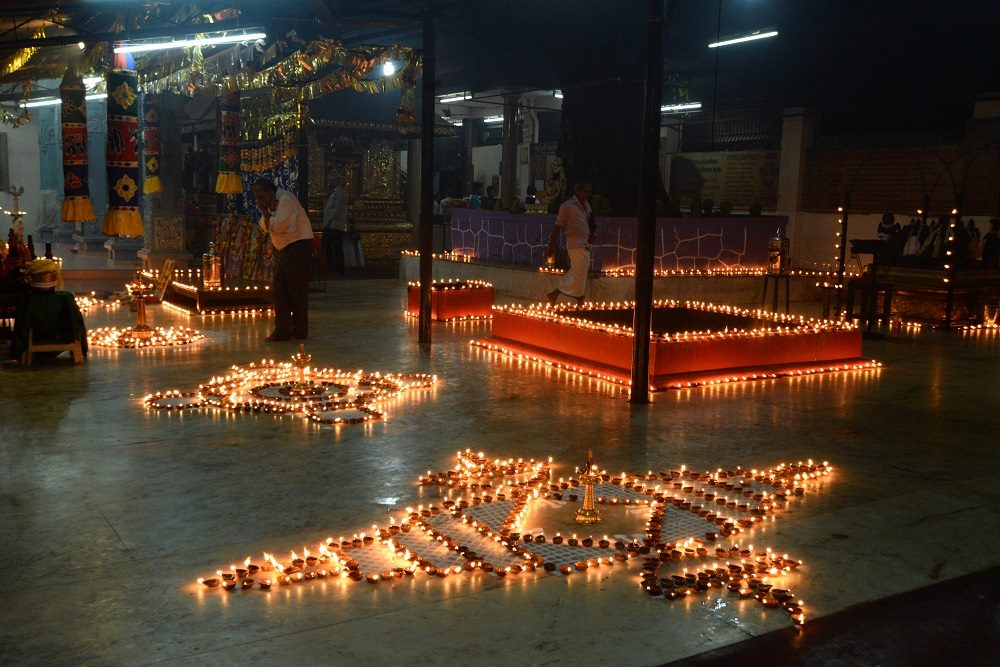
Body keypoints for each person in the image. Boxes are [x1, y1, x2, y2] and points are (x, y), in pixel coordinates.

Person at [252, 178, 314, 341]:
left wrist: (267, 214)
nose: (259, 201)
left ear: (271, 191)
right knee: (280, 290)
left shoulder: (286, 200)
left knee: (296, 291)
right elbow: (263, 226)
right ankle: (283, 330)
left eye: (261, 196)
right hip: (285, 249)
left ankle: (299, 330)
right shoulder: (272, 204)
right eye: (257, 198)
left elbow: (278, 227)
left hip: (298, 247)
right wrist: (269, 215)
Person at [545, 182, 595, 305]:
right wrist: (551, 246)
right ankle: (563, 294)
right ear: (578, 191)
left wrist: (592, 234)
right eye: (585, 191)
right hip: (575, 244)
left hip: (585, 244)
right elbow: (558, 227)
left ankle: (578, 297)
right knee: (578, 269)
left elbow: (589, 223)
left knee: (581, 271)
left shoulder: (587, 206)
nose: (588, 194)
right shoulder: (567, 206)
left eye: (589, 191)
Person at [322, 176, 347, 276]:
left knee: (336, 248)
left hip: (334, 225)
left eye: (331, 180)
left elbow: (337, 208)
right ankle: (332, 268)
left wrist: (328, 221)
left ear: (336, 181)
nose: (329, 182)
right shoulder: (334, 192)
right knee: (330, 247)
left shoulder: (339, 192)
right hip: (331, 224)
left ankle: (337, 269)